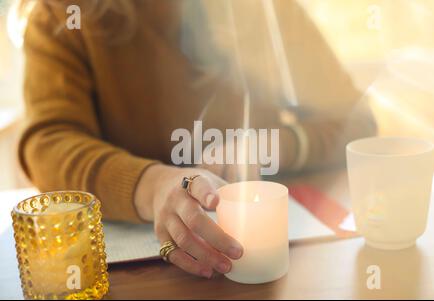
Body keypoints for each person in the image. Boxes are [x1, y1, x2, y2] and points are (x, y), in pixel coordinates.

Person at [18, 0, 376, 278]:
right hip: (141, 277)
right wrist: (152, 186)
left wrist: (278, 145)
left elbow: (355, 118)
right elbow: (49, 142)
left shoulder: (269, 10)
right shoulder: (65, 13)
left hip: (273, 265)